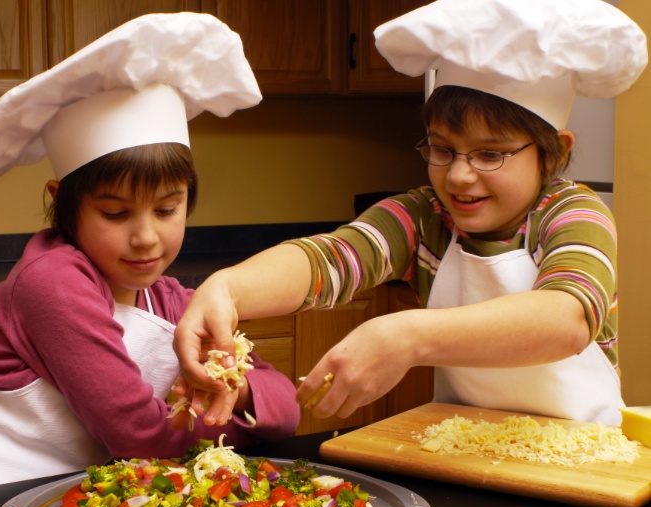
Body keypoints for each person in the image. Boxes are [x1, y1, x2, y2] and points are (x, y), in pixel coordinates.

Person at [173, 0, 647, 428]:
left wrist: (405, 335)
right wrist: (226, 288)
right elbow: (329, 259)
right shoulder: (426, 218)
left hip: (585, 459)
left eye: (489, 155)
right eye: (443, 149)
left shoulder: (572, 213)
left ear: (553, 154)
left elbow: (564, 320)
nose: (460, 176)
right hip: (465, 451)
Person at [0, 13, 299, 494]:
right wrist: (241, 426)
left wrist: (240, 390)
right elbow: (139, 436)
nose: (147, 237)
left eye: (167, 209)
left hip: (50, 491)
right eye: (115, 214)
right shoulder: (52, 281)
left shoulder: (172, 300)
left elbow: (287, 404)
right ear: (64, 204)